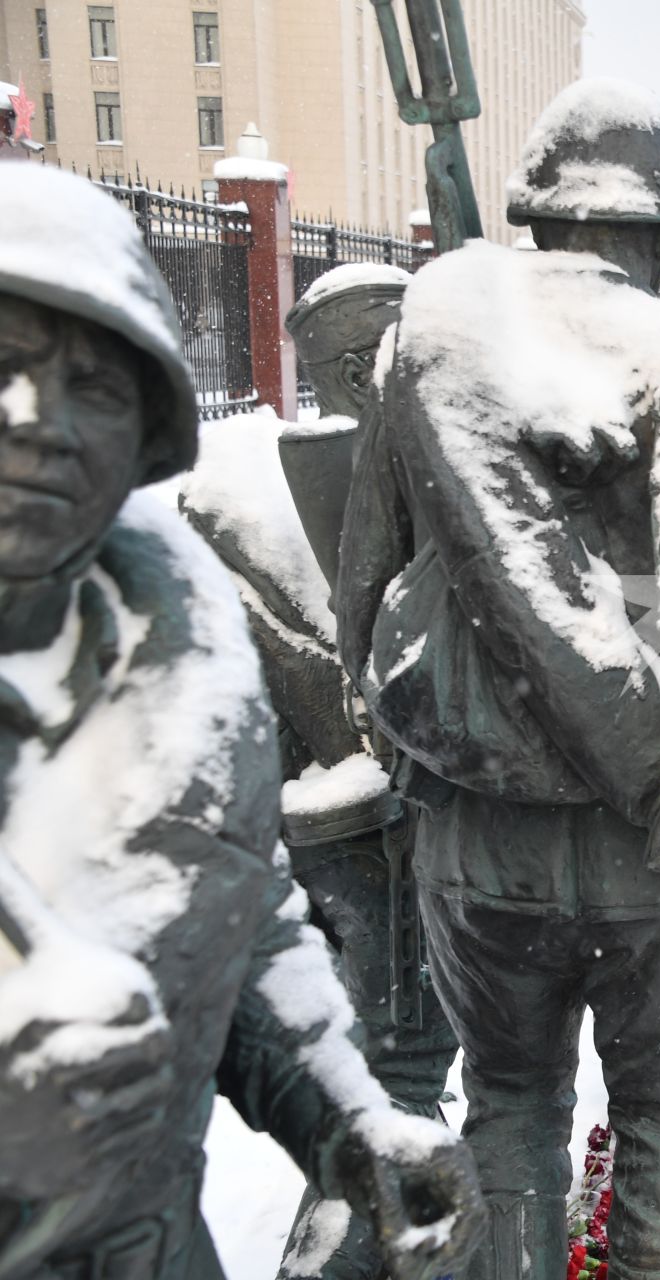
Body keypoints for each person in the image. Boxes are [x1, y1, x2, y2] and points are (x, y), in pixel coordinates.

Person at [335, 81, 660, 1280]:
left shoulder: (432, 344)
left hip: (478, 836)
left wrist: (412, 747)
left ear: (539, 217)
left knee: (512, 1107)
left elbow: (362, 583)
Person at [0, 162, 481, 1280]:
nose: (46, 424)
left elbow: (243, 918)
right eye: (5, 367)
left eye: (99, 387)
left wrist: (347, 1121)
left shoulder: (166, 636)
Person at [178, 263, 467, 1280]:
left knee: (389, 1079)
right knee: (401, 1077)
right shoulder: (361, 479)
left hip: (314, 840)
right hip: (381, 832)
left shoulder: (224, 497)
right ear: (361, 363)